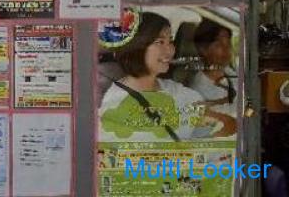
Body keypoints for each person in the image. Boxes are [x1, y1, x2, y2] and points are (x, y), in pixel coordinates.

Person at [99, 12, 236, 142]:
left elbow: (225, 121)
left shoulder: (175, 89)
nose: (170, 50)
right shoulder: (114, 104)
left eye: (170, 41)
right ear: (138, 46)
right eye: (160, 42)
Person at [189, 19, 237, 117]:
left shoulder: (232, 74)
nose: (226, 49)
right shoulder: (198, 88)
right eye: (219, 45)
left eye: (228, 44)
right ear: (203, 49)